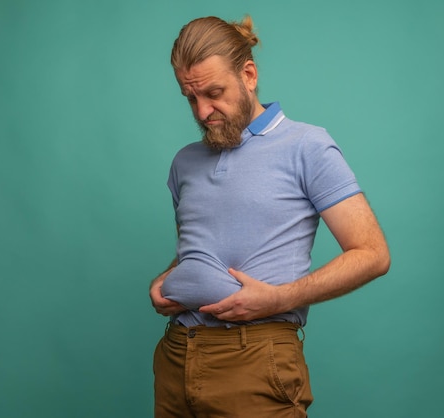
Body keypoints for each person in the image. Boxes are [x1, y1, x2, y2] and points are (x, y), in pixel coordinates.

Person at [149, 15, 390, 418]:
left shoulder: (307, 146)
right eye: (191, 98)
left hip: (256, 358)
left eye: (214, 93)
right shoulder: (184, 162)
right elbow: (200, 248)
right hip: (175, 357)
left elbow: (373, 254)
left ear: (248, 74)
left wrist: (278, 298)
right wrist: (167, 277)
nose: (203, 111)